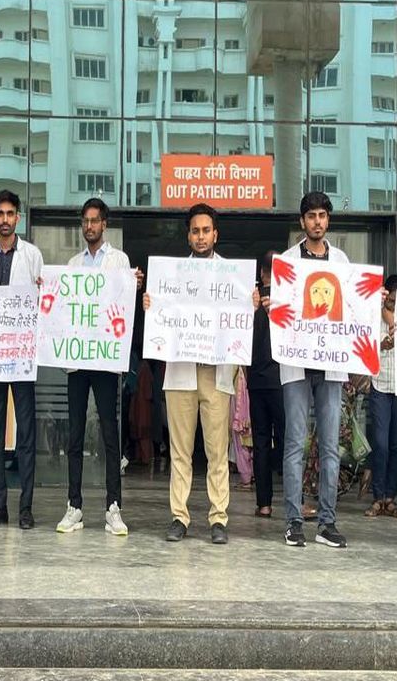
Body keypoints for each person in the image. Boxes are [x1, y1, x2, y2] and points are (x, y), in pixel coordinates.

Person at [143, 203, 257, 545]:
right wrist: (151, 305)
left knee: (217, 451)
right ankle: (179, 517)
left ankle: (218, 518)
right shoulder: (172, 276)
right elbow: (160, 318)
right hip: (181, 371)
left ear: (215, 235)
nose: (201, 236)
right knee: (179, 450)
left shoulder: (233, 278)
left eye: (206, 230)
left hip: (215, 373)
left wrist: (249, 305)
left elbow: (240, 322)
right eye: (195, 231)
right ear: (188, 236)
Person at [55, 198, 142, 537]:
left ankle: (113, 507)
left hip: (105, 359)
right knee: (75, 434)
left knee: (109, 434)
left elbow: (124, 305)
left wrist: (133, 286)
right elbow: (65, 307)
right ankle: (74, 505)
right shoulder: (73, 263)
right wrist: (50, 290)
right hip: (78, 359)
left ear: (104, 224)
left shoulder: (119, 260)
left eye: (94, 221)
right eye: (85, 221)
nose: (89, 226)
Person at [278, 191, 350, 549]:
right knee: (295, 444)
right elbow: (280, 311)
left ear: (328, 220)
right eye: (311, 216)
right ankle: (293, 522)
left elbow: (352, 307)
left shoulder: (342, 261)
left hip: (331, 364)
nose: (317, 222)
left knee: (330, 447)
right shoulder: (287, 262)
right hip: (296, 363)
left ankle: (327, 523)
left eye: (322, 215)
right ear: (302, 221)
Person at [0, 190, 43, 529]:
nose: (5, 219)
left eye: (10, 213)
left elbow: (44, 299)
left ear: (18, 217)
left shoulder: (32, 255)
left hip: (23, 354)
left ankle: (25, 508)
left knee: (26, 435)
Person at [365, 274, 397, 519]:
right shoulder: (374, 317)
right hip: (380, 385)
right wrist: (381, 345)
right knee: (380, 443)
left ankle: (390, 498)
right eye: (391, 300)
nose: (394, 304)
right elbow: (363, 347)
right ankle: (377, 496)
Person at [248, 251, 285, 519]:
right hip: (283, 380)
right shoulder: (287, 299)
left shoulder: (249, 301)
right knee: (287, 440)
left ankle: (264, 503)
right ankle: (296, 499)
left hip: (256, 381)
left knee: (260, 441)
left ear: (261, 273)